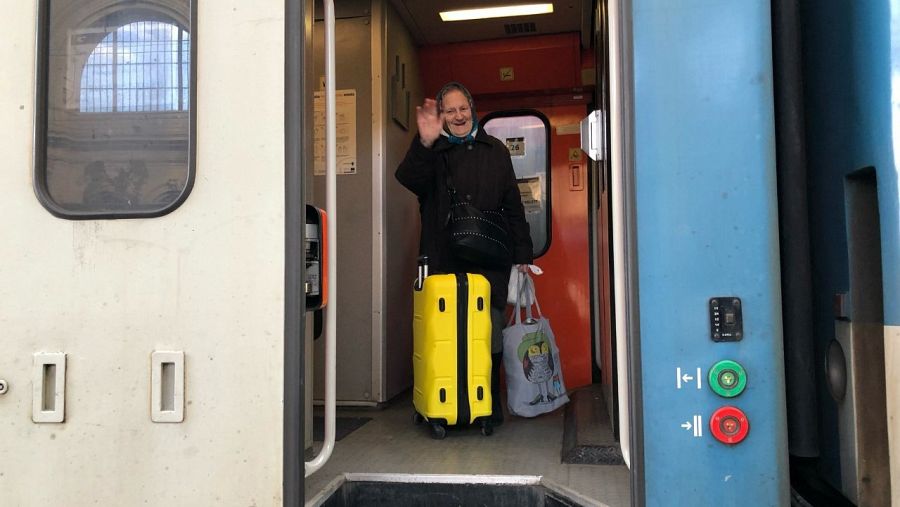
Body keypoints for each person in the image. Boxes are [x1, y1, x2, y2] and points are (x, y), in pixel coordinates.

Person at [396, 81, 534, 425]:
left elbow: (513, 206)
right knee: (443, 335)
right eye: (450, 111)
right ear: (442, 115)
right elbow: (409, 179)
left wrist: (523, 255)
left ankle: (486, 404)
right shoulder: (434, 149)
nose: (458, 116)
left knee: (488, 333)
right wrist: (425, 142)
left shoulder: (496, 150)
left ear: (472, 109)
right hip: (443, 258)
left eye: (462, 108)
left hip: (489, 261)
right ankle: (442, 405)